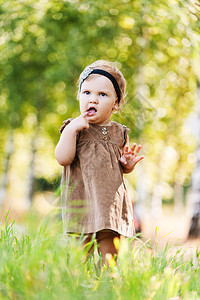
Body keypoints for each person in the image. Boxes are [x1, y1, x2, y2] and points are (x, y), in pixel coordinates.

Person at [55, 60, 144, 264]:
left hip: (109, 206)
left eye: (102, 95)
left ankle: (106, 287)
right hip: (81, 203)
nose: (92, 100)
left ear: (116, 103)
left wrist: (127, 166)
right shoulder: (74, 128)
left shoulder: (119, 133)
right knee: (80, 259)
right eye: (87, 93)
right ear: (79, 95)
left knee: (109, 258)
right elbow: (62, 158)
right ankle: (79, 289)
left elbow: (116, 167)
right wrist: (71, 129)